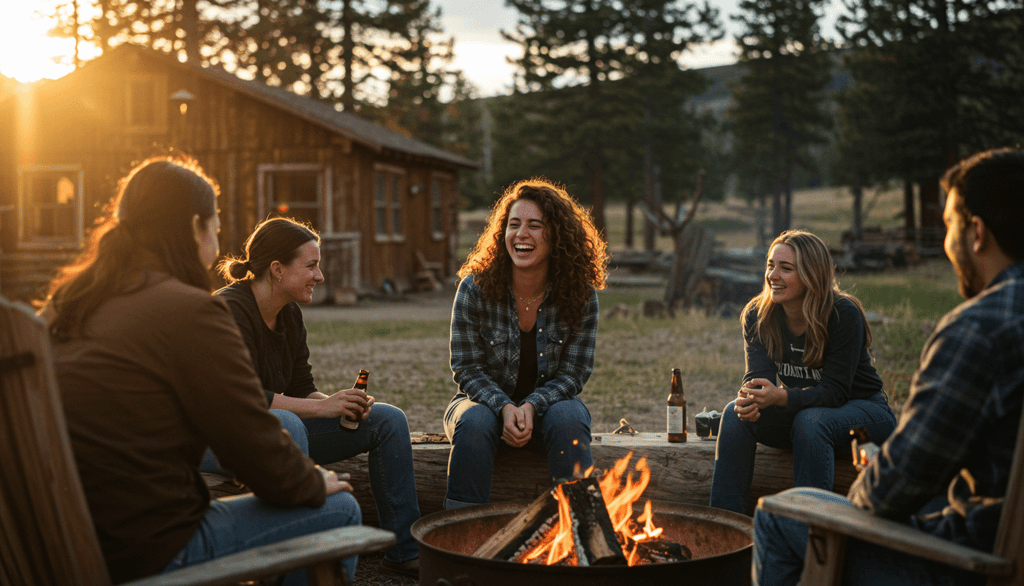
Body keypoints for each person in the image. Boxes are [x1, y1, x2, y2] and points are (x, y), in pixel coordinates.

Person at [38, 156, 360, 585]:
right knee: (339, 508)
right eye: (216, 225)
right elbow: (252, 446)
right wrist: (316, 481)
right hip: (147, 548)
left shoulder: (67, 306)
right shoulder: (190, 311)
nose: (217, 239)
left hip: (61, 538)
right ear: (194, 227)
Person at [752, 147, 1024, 586]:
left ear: (976, 233)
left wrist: (876, 471)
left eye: (949, 226)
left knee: (778, 515)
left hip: (973, 562)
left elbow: (891, 490)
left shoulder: (979, 329)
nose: (946, 244)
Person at [213, 217, 420, 579]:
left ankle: (405, 550)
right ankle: (294, 566)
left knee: (387, 419)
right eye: (311, 266)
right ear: (277, 270)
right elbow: (241, 398)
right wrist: (321, 406)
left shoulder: (289, 313)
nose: (320, 276)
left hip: (278, 434)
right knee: (288, 424)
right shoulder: (228, 310)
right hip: (221, 439)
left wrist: (340, 404)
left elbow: (301, 386)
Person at [444, 178, 608, 509]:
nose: (521, 234)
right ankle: (459, 535)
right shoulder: (474, 288)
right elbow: (466, 368)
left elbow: (574, 373)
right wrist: (505, 407)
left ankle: (581, 528)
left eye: (535, 225)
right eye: (513, 224)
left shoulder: (580, 294)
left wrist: (531, 406)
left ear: (557, 236)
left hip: (550, 410)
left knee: (570, 418)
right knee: (474, 421)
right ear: (501, 233)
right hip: (482, 405)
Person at [709, 229, 897, 515]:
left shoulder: (842, 314)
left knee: (811, 421)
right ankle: (727, 526)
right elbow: (757, 376)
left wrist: (781, 397)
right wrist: (751, 397)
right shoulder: (758, 315)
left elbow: (835, 393)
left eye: (786, 268)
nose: (773, 275)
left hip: (864, 416)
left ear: (812, 274)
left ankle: (808, 533)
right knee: (733, 413)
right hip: (806, 413)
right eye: (771, 265)